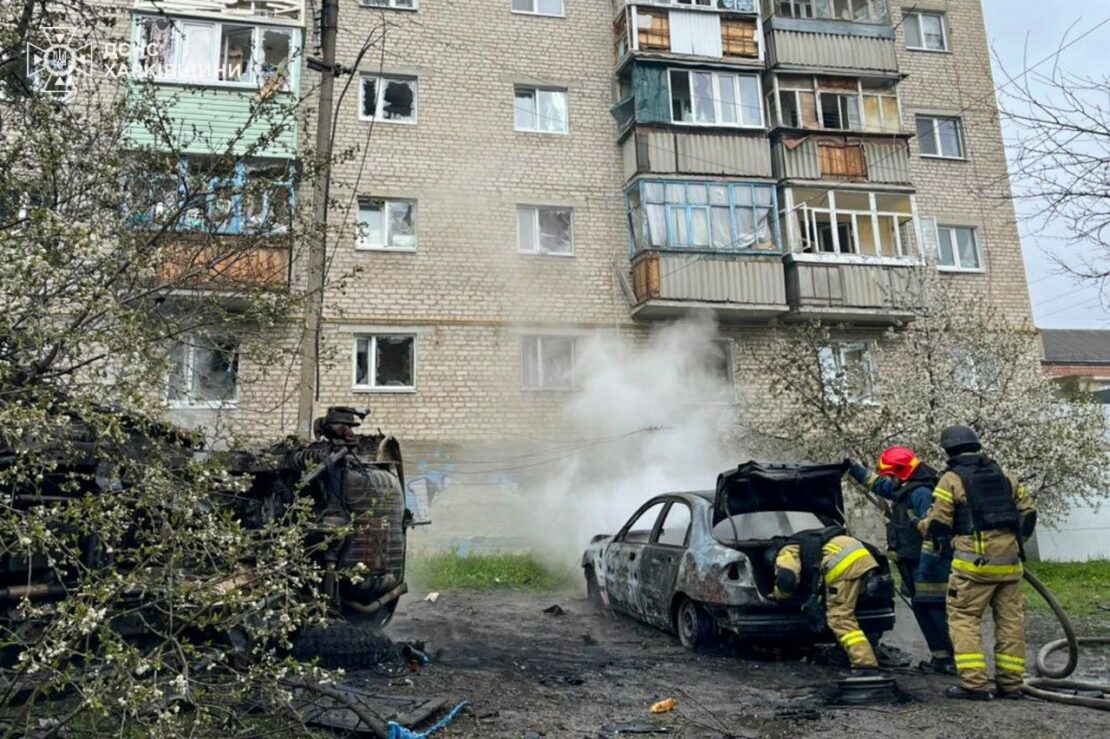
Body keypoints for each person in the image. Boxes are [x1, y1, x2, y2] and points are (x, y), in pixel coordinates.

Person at [916, 426, 1038, 700]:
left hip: (973, 568)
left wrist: (921, 525)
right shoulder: (1004, 476)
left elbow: (938, 524)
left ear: (948, 451)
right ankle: (1011, 684)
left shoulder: (951, 479)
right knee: (1010, 623)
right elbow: (1028, 514)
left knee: (964, 620)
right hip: (1010, 566)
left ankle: (974, 684)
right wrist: (1012, 543)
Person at [847, 448, 955, 674]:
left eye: (890, 474)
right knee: (923, 608)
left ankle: (947, 660)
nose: (888, 479)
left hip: (927, 565)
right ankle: (941, 658)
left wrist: (926, 568)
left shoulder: (921, 493)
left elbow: (934, 531)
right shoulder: (907, 488)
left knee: (932, 609)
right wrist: (853, 469)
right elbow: (880, 486)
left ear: (901, 472)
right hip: (914, 562)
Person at [772, 528, 880, 673]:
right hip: (862, 556)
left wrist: (779, 595)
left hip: (842, 566)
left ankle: (865, 664)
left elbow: (787, 578)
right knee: (852, 609)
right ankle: (846, 654)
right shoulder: (807, 539)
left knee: (839, 617)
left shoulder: (786, 551)